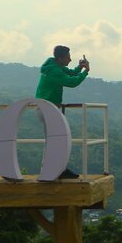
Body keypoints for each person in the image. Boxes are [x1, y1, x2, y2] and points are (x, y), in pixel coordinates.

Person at [35, 45, 90, 178]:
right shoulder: (54, 71)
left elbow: (70, 73)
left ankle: (55, 169)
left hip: (48, 108)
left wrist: (79, 68)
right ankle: (52, 171)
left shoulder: (54, 66)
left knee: (56, 140)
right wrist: (85, 72)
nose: (70, 60)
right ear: (60, 58)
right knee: (55, 140)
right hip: (48, 109)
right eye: (68, 57)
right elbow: (72, 82)